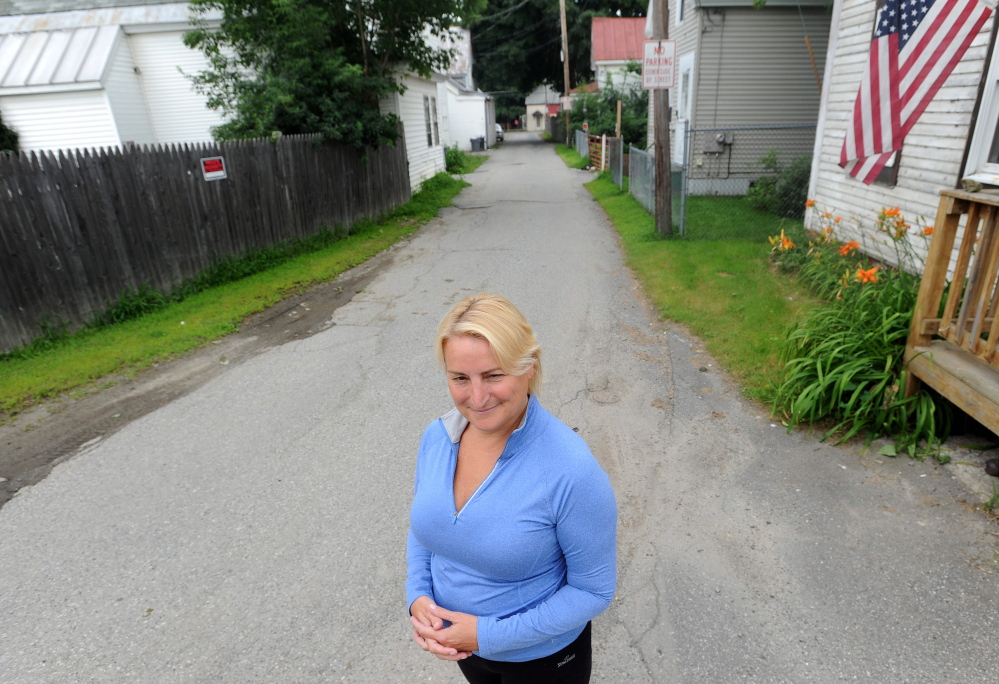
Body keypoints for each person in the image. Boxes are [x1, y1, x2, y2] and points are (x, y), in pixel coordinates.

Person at [406, 293, 617, 684]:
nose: (477, 397)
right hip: (467, 652)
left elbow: (594, 591)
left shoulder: (571, 470)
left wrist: (487, 634)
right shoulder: (436, 438)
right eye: (459, 379)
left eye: (493, 375)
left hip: (544, 661)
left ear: (528, 367)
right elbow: (426, 527)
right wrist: (418, 597)